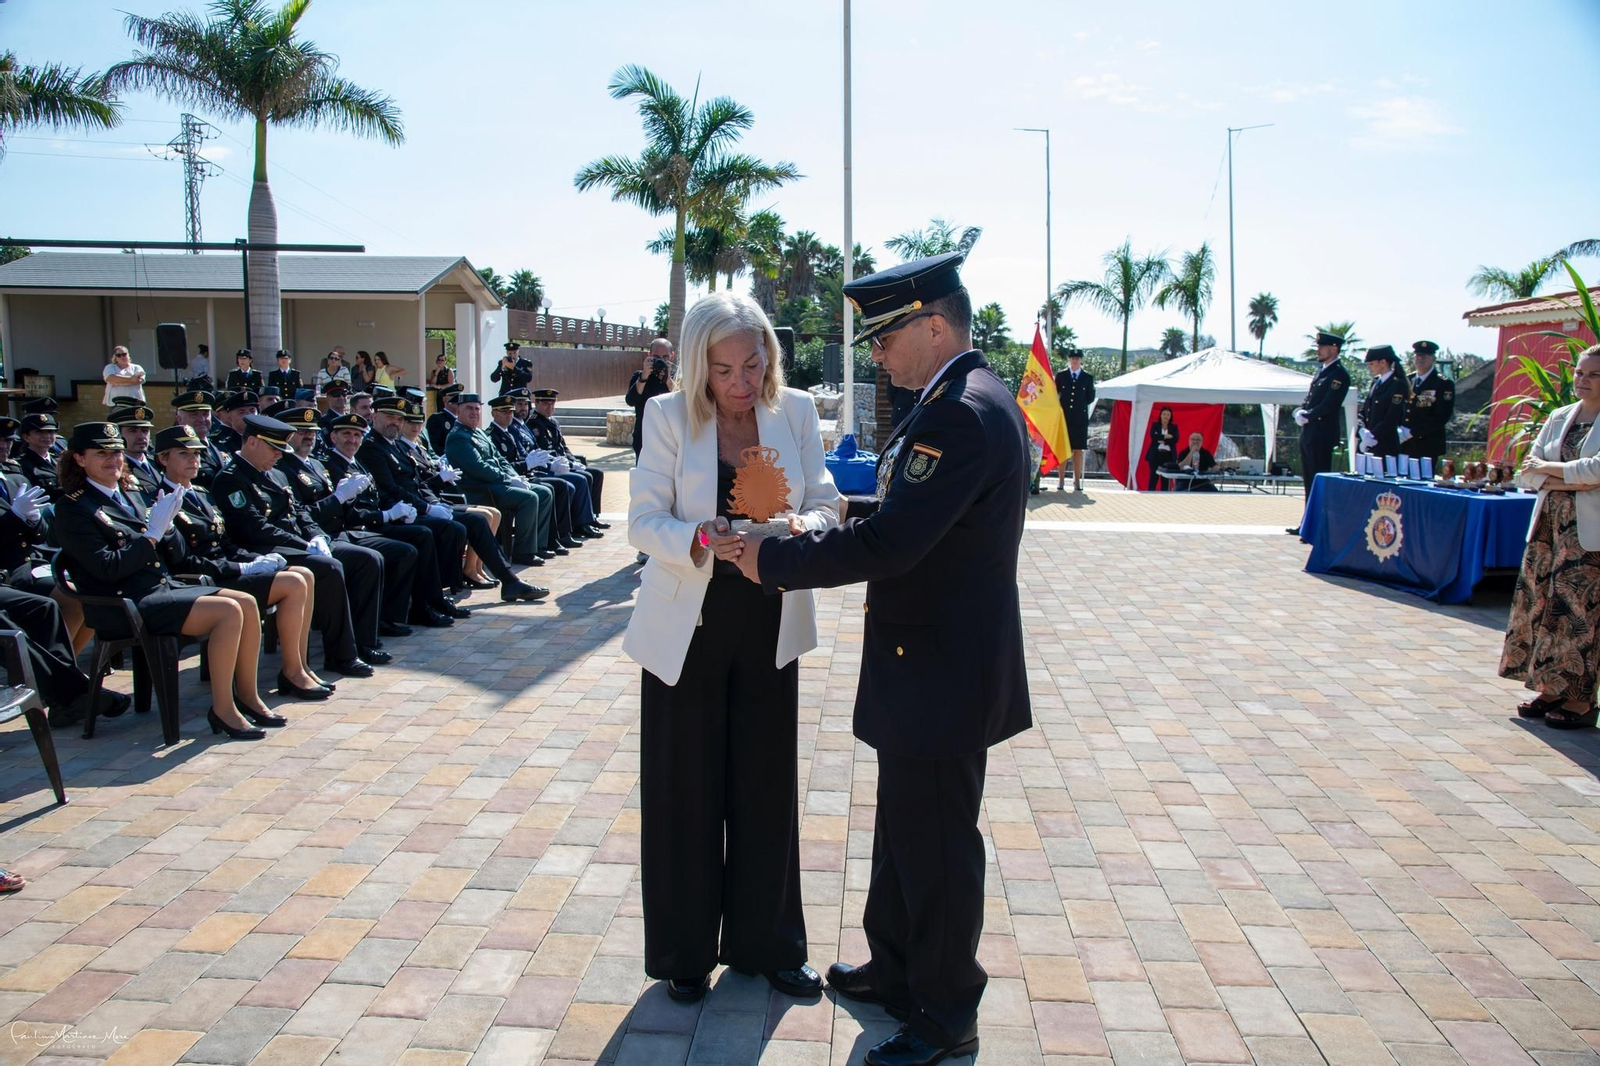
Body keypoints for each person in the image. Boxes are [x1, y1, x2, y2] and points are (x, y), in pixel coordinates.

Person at [728, 253, 1030, 1066]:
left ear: (934, 326)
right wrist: (818, 522)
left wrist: (771, 558)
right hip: (933, 663)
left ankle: (946, 1012)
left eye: (886, 336)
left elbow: (896, 542)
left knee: (937, 848)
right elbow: (911, 512)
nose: (878, 354)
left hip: (941, 671)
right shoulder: (961, 398)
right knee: (905, 829)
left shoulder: (958, 413)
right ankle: (896, 968)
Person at [624, 291, 837, 1005]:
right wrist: (696, 536)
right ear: (697, 366)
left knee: (765, 785)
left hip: (769, 617)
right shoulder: (666, 415)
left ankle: (768, 944)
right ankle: (684, 951)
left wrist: (794, 528)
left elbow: (826, 503)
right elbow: (642, 521)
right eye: (723, 370)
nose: (742, 382)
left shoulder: (796, 410)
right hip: (686, 625)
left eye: (753, 364)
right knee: (684, 788)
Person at [52, 420, 277, 740]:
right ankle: (223, 709)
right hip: (122, 603)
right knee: (228, 611)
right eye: (101, 453)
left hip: (157, 588)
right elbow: (106, 568)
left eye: (116, 452)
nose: (113, 460)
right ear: (79, 458)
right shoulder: (73, 507)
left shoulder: (130, 494)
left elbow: (175, 555)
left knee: (245, 602)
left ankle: (248, 696)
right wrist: (151, 536)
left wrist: (168, 529)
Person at [151, 424, 331, 701]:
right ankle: (292, 671)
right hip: (205, 579)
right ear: (163, 459)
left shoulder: (201, 493)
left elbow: (225, 542)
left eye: (196, 453)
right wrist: (243, 567)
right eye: (183, 454)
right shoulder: (159, 499)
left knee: (303, 575)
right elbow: (184, 561)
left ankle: (299, 666)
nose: (194, 460)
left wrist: (255, 559)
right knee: (295, 581)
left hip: (226, 568)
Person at [211, 414, 381, 677]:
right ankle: (341, 655)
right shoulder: (231, 478)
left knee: (366, 560)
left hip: (295, 543)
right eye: (273, 448)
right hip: (264, 550)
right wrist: (304, 544)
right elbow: (255, 527)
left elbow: (299, 512)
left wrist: (317, 536)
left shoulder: (276, 473)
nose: (278, 455)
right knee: (330, 568)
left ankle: (363, 642)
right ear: (252, 442)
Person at [360, 397, 547, 603]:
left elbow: (418, 484)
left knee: (477, 521)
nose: (395, 422)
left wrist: (434, 502)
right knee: (458, 526)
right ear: (374, 417)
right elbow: (392, 489)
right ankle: (441, 594)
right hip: (401, 512)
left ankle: (509, 581)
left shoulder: (393, 445)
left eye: (399, 419)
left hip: (420, 505)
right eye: (390, 417)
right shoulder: (372, 447)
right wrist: (428, 508)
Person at [1501, 344, 1600, 730]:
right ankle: (1549, 688)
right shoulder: (1560, 416)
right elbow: (1529, 471)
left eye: (1593, 374)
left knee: (1578, 614)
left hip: (1587, 536)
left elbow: (1597, 470)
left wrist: (1553, 471)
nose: (1582, 380)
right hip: (1547, 530)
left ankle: (1580, 700)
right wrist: (1572, 479)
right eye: (1579, 372)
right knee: (1541, 608)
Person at [276, 411, 425, 637]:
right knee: (370, 559)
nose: (308, 436)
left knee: (404, 551)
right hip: (319, 536)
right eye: (301, 431)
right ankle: (362, 637)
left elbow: (349, 507)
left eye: (311, 432)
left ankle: (387, 619)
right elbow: (302, 513)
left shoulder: (315, 464)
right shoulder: (284, 469)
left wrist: (391, 512)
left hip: (340, 530)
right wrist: (342, 499)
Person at [446, 394, 554, 565]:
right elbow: (478, 468)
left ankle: (538, 545)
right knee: (529, 498)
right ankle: (523, 552)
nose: (474, 412)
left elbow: (500, 459)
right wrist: (508, 480)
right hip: (480, 489)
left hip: (496, 484)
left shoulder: (478, 432)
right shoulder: (458, 436)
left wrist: (514, 475)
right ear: (458, 410)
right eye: (469, 408)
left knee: (545, 492)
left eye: (477, 408)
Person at [488, 395, 582, 552]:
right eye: (504, 412)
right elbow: (502, 465)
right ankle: (539, 543)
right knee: (550, 489)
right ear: (494, 414)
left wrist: (546, 463)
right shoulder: (492, 435)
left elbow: (526, 455)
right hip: (510, 481)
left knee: (558, 487)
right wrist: (526, 466)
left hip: (524, 475)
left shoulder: (509, 431)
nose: (509, 415)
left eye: (510, 411)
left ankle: (551, 539)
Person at [1287, 330, 1352, 537]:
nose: (1319, 350)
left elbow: (1329, 405)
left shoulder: (1339, 375)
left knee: (1319, 480)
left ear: (1334, 349)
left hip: (1322, 434)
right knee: (1309, 481)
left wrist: (1309, 415)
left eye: (1322, 347)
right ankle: (1308, 523)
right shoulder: (1321, 372)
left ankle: (1318, 527)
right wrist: (1300, 410)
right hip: (1310, 433)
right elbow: (1311, 398)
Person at [526, 387, 608, 531]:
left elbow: (563, 447)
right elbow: (545, 451)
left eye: (552, 403)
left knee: (597, 473)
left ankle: (593, 516)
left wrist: (573, 461)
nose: (549, 407)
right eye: (545, 403)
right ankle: (582, 523)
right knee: (583, 478)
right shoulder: (534, 424)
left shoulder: (553, 422)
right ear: (536, 403)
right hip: (552, 466)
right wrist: (568, 464)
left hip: (564, 463)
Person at [1405, 340, 1454, 467]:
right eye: (1418, 355)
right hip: (1405, 444)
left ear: (1433, 359)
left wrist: (1413, 432)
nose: (1420, 359)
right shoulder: (1408, 380)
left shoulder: (1443, 383)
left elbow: (1441, 417)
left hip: (1427, 445)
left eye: (1425, 356)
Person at [1358, 344, 1410, 459]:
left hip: (1386, 445)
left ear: (1382, 362)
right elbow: (1365, 410)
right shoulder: (1375, 382)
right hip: (1370, 444)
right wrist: (1361, 430)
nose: (1369, 367)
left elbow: (1391, 417)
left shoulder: (1397, 384)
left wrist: (1372, 436)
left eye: (1372, 363)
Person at [1054, 347, 1094, 492]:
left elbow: (1090, 397)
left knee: (1078, 450)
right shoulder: (1062, 375)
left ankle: (1076, 481)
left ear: (1081, 360)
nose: (1075, 361)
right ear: (1069, 359)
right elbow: (1055, 393)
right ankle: (1061, 480)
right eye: (1072, 358)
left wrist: (1078, 407)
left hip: (1079, 420)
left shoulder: (1087, 377)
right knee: (1063, 449)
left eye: (1077, 358)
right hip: (1064, 418)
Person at [171, 390, 226, 488]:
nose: (201, 419)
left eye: (205, 414)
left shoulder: (220, 446)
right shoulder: (175, 451)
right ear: (179, 419)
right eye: (194, 414)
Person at [108, 405, 159, 498]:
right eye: (133, 431)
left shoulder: (158, 462)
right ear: (119, 435)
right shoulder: (117, 469)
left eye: (145, 430)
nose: (141, 436)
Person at [627, 357, 673, 459]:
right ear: (649, 355)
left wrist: (668, 378)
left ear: (672, 356)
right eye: (656, 357)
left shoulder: (674, 379)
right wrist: (644, 377)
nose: (660, 361)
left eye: (665, 357)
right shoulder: (639, 376)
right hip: (643, 439)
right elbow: (630, 401)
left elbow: (681, 401)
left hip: (669, 442)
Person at [17, 413, 61, 499]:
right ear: (26, 437)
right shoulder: (22, 465)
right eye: (39, 432)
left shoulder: (61, 461)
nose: (47, 436)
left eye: (50, 432)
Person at [1145, 406, 1179, 491]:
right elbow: (1154, 437)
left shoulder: (1174, 427)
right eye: (1164, 414)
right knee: (1153, 476)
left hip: (1168, 455)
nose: (1165, 416)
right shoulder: (1155, 425)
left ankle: (1164, 495)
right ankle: (1150, 494)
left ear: (1170, 416)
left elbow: (1175, 439)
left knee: (1165, 478)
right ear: (1160, 415)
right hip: (1155, 454)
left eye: (1168, 414)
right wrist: (1166, 436)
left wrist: (1164, 441)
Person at [426, 383, 463, 454]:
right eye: (455, 398)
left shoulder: (462, 420)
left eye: (460, 398)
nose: (458, 401)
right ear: (445, 400)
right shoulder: (437, 419)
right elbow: (434, 447)